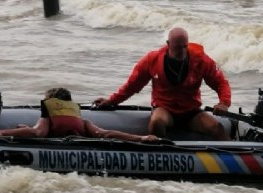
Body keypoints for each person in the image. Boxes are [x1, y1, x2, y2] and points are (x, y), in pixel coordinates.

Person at [93, 27, 231, 139]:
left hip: (191, 112)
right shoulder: (151, 60)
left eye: (184, 47)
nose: (182, 51)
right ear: (168, 44)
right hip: (165, 110)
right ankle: (160, 155)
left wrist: (224, 102)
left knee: (216, 127)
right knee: (157, 122)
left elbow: (221, 82)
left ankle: (234, 160)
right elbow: (132, 85)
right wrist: (112, 101)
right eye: (178, 47)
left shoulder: (201, 60)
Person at [0, 87, 159, 142]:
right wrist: (140, 138)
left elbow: (37, 133)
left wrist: (2, 132)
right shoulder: (83, 122)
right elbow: (106, 134)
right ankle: (143, 139)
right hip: (81, 144)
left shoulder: (49, 116)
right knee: (102, 133)